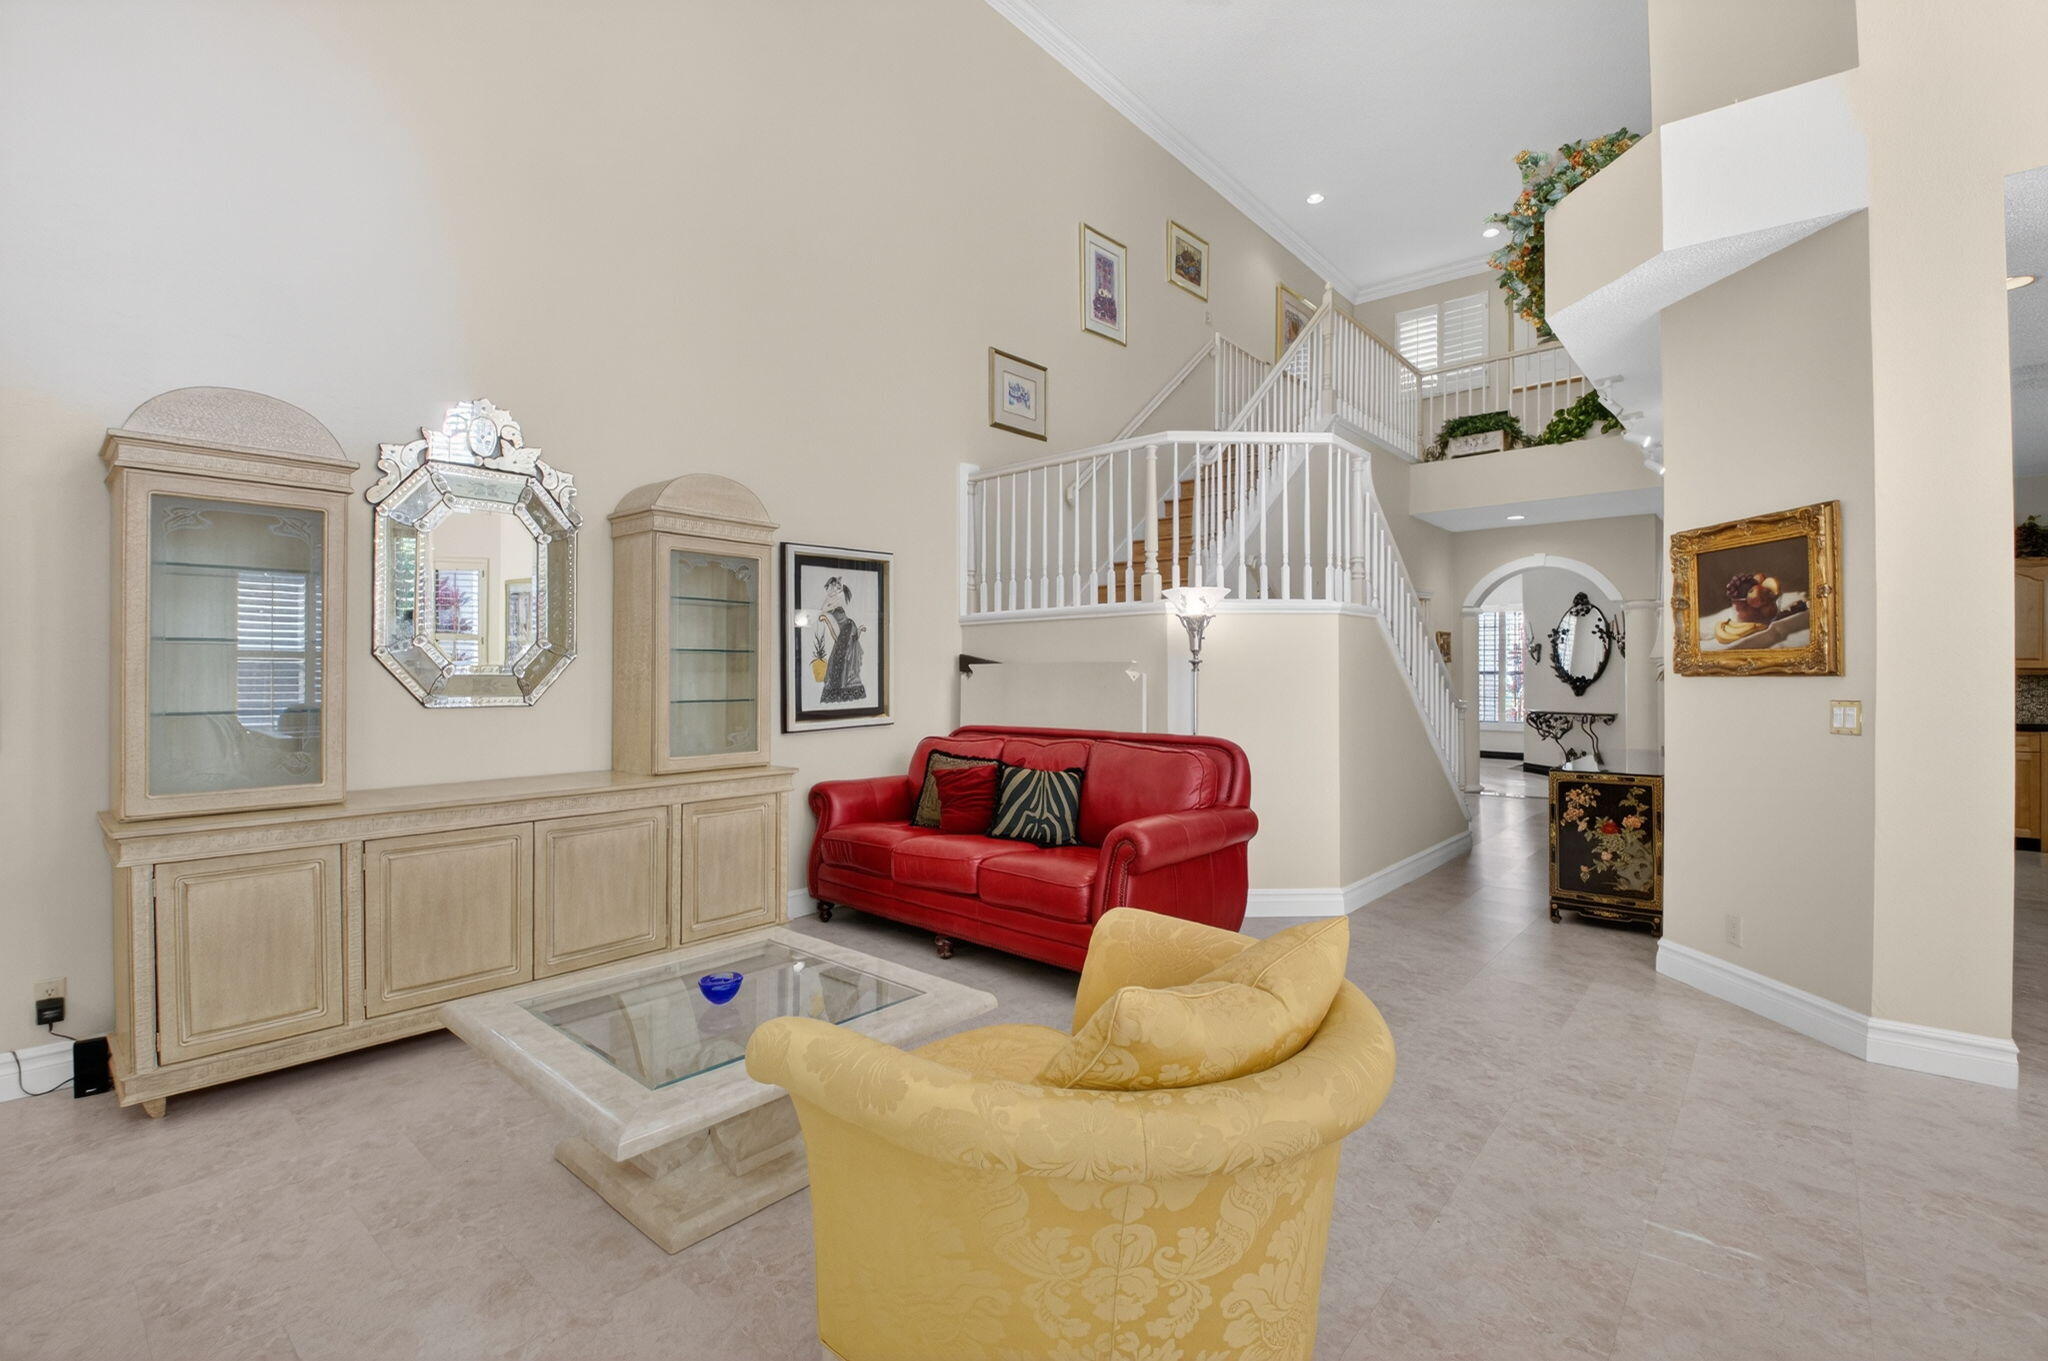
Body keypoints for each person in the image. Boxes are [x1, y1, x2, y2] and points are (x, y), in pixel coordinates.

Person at [814, 576, 865, 703]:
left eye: (835, 587)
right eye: (830, 586)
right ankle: (839, 689)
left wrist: (833, 594)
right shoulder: (832, 598)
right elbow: (822, 610)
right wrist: (830, 596)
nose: (831, 589)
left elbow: (824, 609)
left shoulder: (837, 600)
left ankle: (844, 689)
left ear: (839, 589)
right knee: (838, 659)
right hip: (845, 631)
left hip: (848, 629)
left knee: (842, 659)